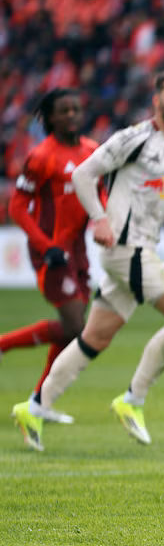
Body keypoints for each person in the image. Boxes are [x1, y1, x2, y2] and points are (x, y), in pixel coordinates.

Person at [11, 70, 164, 452]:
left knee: (94, 338)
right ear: (156, 100)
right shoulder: (133, 138)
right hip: (127, 250)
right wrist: (99, 217)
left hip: (139, 250)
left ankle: (35, 407)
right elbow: (84, 175)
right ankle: (133, 399)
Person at [2, 89, 101, 425]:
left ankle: (39, 401)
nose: (72, 115)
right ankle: (5, 348)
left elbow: (99, 194)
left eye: (76, 108)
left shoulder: (92, 151)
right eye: (64, 111)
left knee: (71, 330)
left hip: (78, 250)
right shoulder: (41, 156)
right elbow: (17, 206)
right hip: (51, 251)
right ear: (51, 117)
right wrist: (46, 246)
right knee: (76, 328)